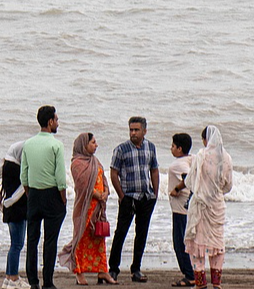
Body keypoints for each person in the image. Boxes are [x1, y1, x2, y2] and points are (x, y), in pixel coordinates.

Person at [58, 133, 119, 285]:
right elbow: (82, 185)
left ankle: (102, 271)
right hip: (85, 208)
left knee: (99, 239)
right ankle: (79, 272)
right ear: (84, 145)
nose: (96, 145)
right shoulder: (77, 163)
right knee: (81, 238)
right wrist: (97, 194)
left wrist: (105, 192)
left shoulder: (95, 161)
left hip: (98, 208)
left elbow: (102, 179)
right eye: (93, 142)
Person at [21, 105, 67, 289]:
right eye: (56, 119)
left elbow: (23, 174)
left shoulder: (28, 143)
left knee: (32, 239)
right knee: (50, 240)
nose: (57, 122)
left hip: (33, 194)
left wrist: (29, 193)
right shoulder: (56, 144)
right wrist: (63, 197)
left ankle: (33, 281)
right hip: (52, 194)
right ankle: (48, 281)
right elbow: (61, 178)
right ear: (50, 122)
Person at [108, 116, 159, 283]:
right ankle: (113, 269)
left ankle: (136, 269)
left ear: (144, 131)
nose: (133, 133)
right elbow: (113, 173)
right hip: (129, 196)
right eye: (131, 129)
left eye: (136, 130)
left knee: (141, 234)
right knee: (121, 232)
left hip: (146, 196)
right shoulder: (121, 149)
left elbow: (154, 170)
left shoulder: (150, 147)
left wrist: (155, 193)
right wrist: (121, 195)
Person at [184, 126, 233, 289]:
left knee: (198, 243)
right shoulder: (226, 158)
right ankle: (217, 282)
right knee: (217, 244)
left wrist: (202, 189)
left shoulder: (201, 156)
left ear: (206, 139)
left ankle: (200, 282)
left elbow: (190, 181)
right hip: (217, 205)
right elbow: (228, 185)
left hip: (200, 205)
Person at [0, 141, 32, 289]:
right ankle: (13, 278)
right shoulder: (18, 171)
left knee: (14, 244)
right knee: (17, 245)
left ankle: (8, 277)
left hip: (10, 210)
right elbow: (22, 190)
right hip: (16, 210)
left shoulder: (7, 167)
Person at [168, 133, 195, 287]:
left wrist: (177, 189)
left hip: (181, 208)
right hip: (188, 207)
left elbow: (189, 177)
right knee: (186, 241)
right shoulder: (193, 159)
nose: (171, 149)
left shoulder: (177, 164)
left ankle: (189, 275)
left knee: (180, 242)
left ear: (179, 148)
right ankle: (191, 272)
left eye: (173, 146)